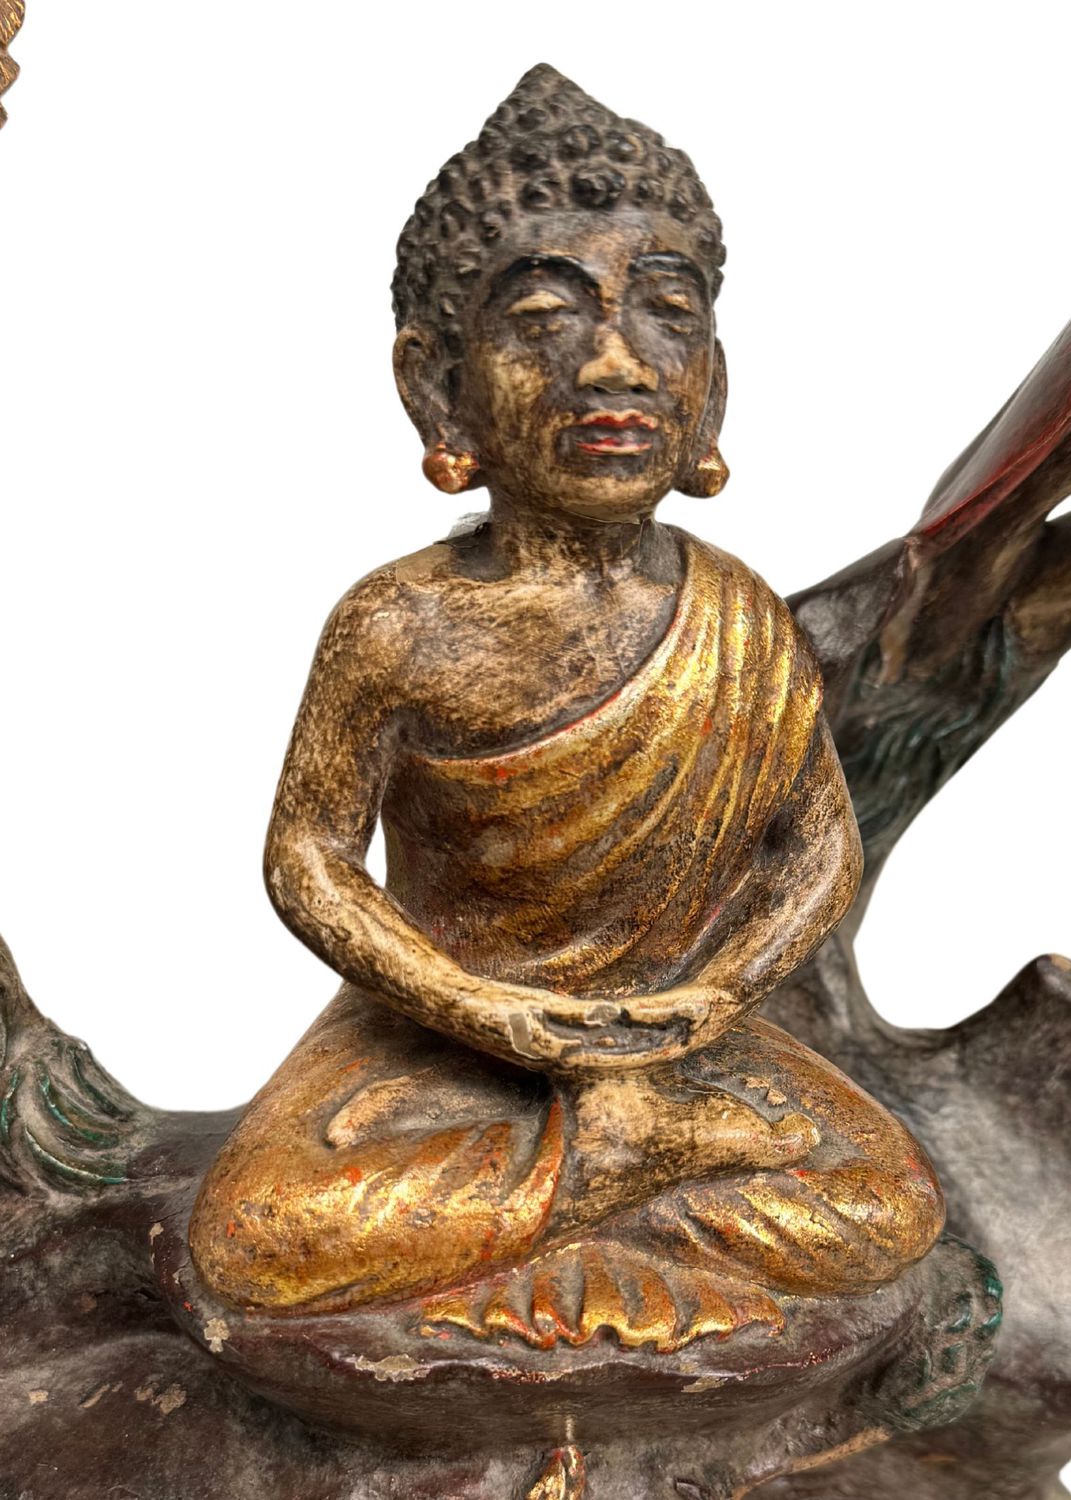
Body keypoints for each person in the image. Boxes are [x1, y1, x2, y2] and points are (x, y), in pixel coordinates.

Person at [189, 66, 943, 1350]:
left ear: (713, 384)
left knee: (892, 1205)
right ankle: (626, 1164)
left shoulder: (741, 614)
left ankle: (591, 1170)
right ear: (437, 386)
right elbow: (309, 855)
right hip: (439, 1041)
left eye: (666, 314)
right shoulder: (400, 620)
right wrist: (477, 1009)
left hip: (674, 1035)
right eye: (543, 318)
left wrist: (716, 997)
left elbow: (818, 846)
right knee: (258, 1234)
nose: (614, 362)